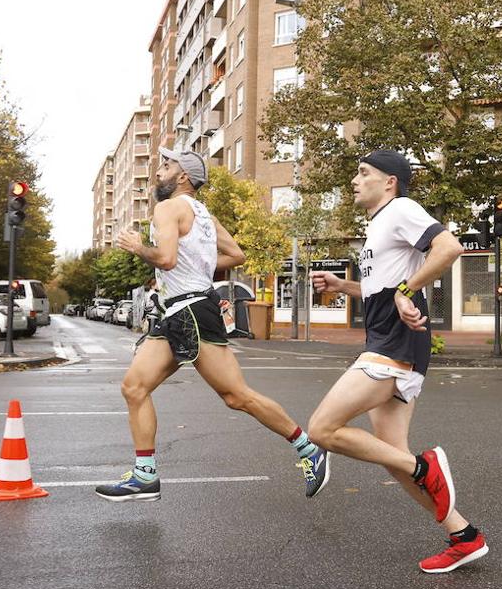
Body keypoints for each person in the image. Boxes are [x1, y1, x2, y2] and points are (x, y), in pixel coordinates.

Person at [95, 148, 330, 501]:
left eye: (167, 166)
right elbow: (237, 255)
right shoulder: (203, 213)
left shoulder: (168, 208)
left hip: (191, 311)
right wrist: (200, 264)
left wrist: (138, 247)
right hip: (178, 312)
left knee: (236, 396)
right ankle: (145, 476)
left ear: (183, 177)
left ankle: (309, 448)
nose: (159, 172)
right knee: (134, 387)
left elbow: (167, 259)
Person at [306, 150, 487, 574]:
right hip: (388, 337)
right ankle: (464, 537)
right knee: (390, 454)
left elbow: (449, 248)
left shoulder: (402, 208)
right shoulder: (377, 225)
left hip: (395, 342)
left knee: (322, 429)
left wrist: (409, 289)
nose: (355, 179)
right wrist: (342, 285)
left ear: (389, 181)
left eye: (363, 172)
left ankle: (424, 467)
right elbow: (382, 289)